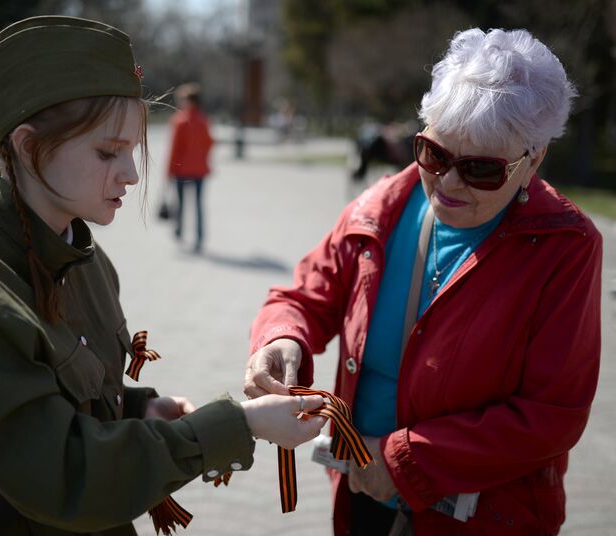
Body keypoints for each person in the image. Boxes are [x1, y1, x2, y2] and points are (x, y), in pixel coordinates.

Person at [0, 16, 326, 536]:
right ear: (29, 148)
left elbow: (70, 399)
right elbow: (61, 473)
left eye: (132, 149)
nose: (133, 173)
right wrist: (242, 425)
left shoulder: (81, 254)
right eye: (107, 152)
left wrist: (139, 408)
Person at [245, 28, 601, 535]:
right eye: (434, 153)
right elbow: (304, 294)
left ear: (534, 159)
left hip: (484, 517)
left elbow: (552, 413)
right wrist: (281, 339)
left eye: (481, 169)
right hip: (362, 494)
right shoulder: (382, 205)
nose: (448, 182)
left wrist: (405, 463)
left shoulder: (566, 246)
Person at [167, 82, 213, 252]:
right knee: (199, 204)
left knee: (180, 203)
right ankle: (199, 237)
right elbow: (210, 143)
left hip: (181, 170)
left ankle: (179, 231)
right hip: (200, 169)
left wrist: (169, 171)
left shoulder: (180, 121)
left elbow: (174, 149)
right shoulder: (204, 120)